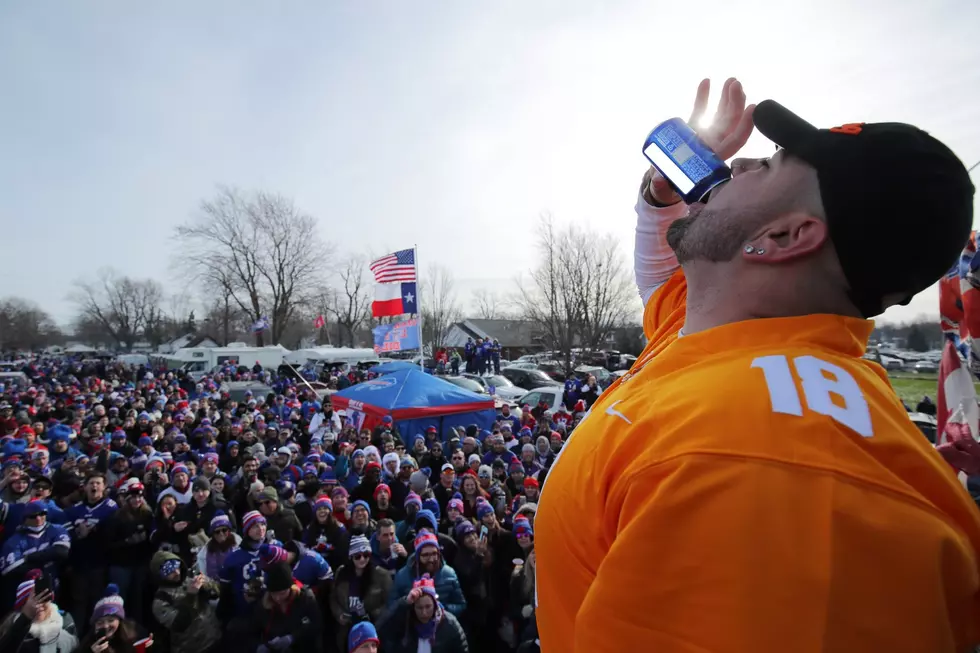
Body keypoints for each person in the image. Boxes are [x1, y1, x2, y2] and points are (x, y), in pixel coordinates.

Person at [535, 77, 980, 652]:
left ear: (785, 235)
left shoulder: (768, 469)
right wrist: (664, 195)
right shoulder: (732, 328)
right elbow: (660, 278)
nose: (738, 163)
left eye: (770, 166)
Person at [329, 535, 392, 653]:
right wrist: (339, 615)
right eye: (358, 556)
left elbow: (388, 603)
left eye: (366, 555)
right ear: (351, 557)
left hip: (371, 630)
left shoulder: (381, 575)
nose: (362, 559)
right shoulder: (341, 573)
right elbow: (333, 597)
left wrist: (372, 615)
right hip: (347, 629)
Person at [149, 551, 221, 653]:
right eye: (170, 571)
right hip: (191, 648)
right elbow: (179, 624)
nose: (177, 572)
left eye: (176, 566)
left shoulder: (190, 577)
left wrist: (207, 585)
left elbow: (216, 593)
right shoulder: (161, 600)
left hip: (214, 637)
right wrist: (191, 596)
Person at [379, 574, 469, 653]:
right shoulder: (404, 620)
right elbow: (381, 630)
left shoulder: (450, 623)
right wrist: (404, 603)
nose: (424, 613)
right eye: (419, 608)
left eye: (428, 606)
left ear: (435, 604)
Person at [250, 561, 322, 653]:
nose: (277, 598)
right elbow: (253, 630)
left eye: (282, 593)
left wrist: (292, 637)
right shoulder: (263, 603)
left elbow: (316, 624)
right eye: (273, 594)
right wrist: (258, 646)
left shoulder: (305, 598)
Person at [0, 574, 78, 653]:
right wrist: (26, 617)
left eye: (43, 599)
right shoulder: (12, 630)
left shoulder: (66, 621)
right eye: (33, 600)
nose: (38, 604)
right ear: (22, 607)